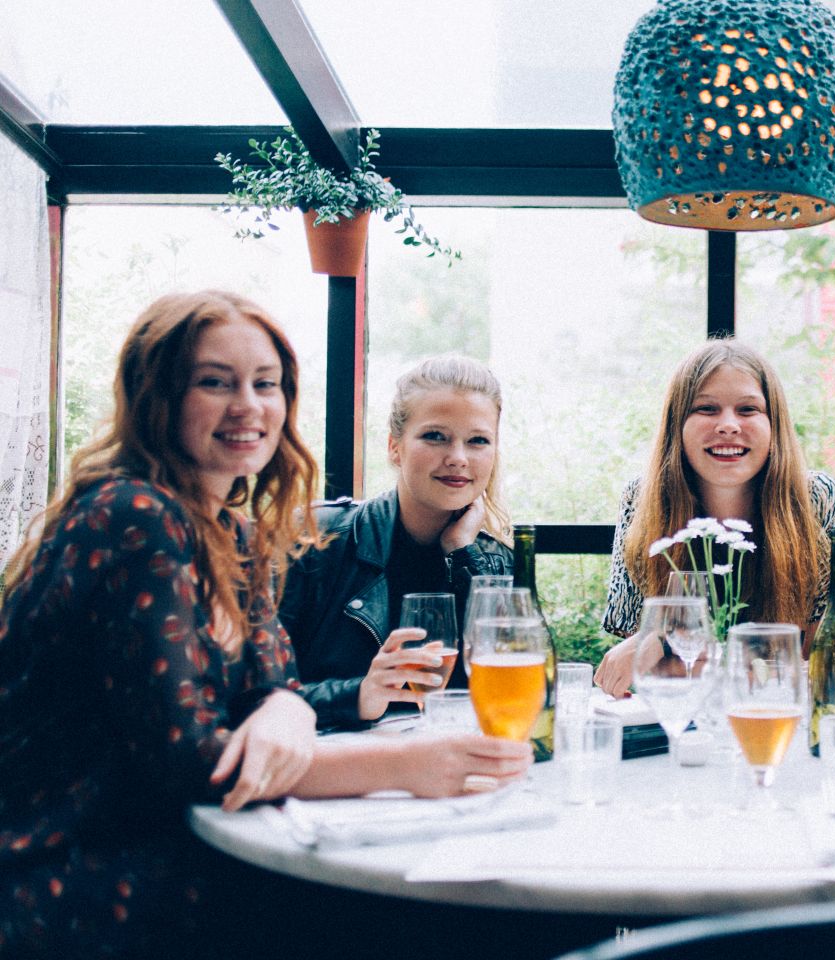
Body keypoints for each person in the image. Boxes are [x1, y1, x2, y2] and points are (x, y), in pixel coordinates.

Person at [0, 292, 531, 957]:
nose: (247, 406)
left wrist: (287, 707)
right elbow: (190, 763)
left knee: (478, 915)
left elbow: (276, 686)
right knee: (464, 926)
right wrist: (403, 765)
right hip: (86, 878)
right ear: (157, 398)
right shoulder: (135, 516)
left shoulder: (230, 530)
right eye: (215, 382)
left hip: (191, 853)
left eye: (265, 384)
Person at [595, 339, 835, 696]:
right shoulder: (641, 499)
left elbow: (823, 662)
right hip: (680, 715)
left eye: (748, 409)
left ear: (774, 424)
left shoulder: (819, 499)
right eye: (706, 408)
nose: (728, 425)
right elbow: (642, 672)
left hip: (777, 716)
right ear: (677, 425)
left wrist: (666, 640)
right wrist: (657, 648)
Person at [281, 355, 513, 728]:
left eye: (477, 441)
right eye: (435, 436)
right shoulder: (314, 539)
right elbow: (252, 696)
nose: (458, 458)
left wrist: (463, 555)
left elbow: (521, 695)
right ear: (394, 447)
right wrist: (359, 696)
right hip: (331, 758)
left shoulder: (493, 561)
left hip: (447, 759)